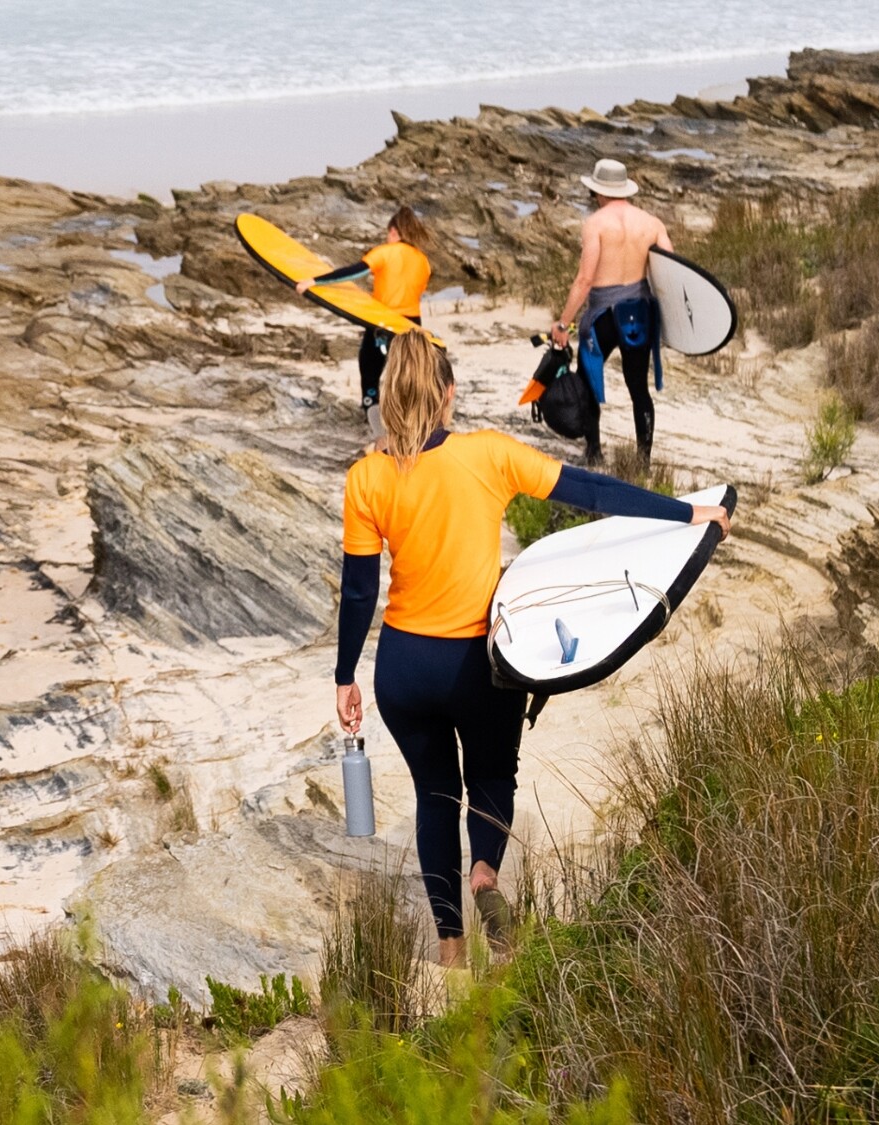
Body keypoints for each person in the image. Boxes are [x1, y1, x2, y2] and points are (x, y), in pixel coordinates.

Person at [332, 331, 729, 969]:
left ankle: (450, 950)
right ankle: (485, 875)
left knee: (434, 795)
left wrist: (345, 675)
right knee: (490, 776)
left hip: (404, 670)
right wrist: (686, 514)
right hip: (476, 666)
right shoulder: (489, 455)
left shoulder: (367, 478)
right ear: (447, 393)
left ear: (387, 397)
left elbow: (357, 594)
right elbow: (592, 492)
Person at [548, 159, 673, 464]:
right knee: (638, 388)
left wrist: (563, 324)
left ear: (598, 192)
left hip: (602, 316)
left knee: (589, 379)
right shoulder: (652, 223)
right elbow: (671, 271)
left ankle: (594, 453)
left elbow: (585, 279)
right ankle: (643, 460)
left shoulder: (596, 224)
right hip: (638, 316)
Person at [295, 206, 434, 418]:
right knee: (407, 373)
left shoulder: (385, 252)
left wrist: (315, 281)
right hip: (412, 324)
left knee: (370, 366)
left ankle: (370, 407)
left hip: (382, 323)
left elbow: (355, 271)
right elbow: (416, 290)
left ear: (394, 232)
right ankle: (411, 415)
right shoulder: (423, 261)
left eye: (388, 233)